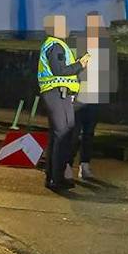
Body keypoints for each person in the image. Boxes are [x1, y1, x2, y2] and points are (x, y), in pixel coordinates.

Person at [37, 13, 90, 192]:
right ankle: (57, 177)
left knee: (58, 135)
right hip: (57, 93)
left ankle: (53, 175)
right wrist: (80, 65)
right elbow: (59, 70)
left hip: (59, 94)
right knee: (63, 133)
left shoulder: (57, 45)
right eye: (63, 24)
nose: (67, 27)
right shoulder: (55, 45)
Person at [74, 12, 117, 180]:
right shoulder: (78, 45)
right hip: (79, 97)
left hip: (95, 97)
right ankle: (68, 165)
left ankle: (84, 165)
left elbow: (110, 73)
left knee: (88, 134)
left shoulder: (105, 47)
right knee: (74, 133)